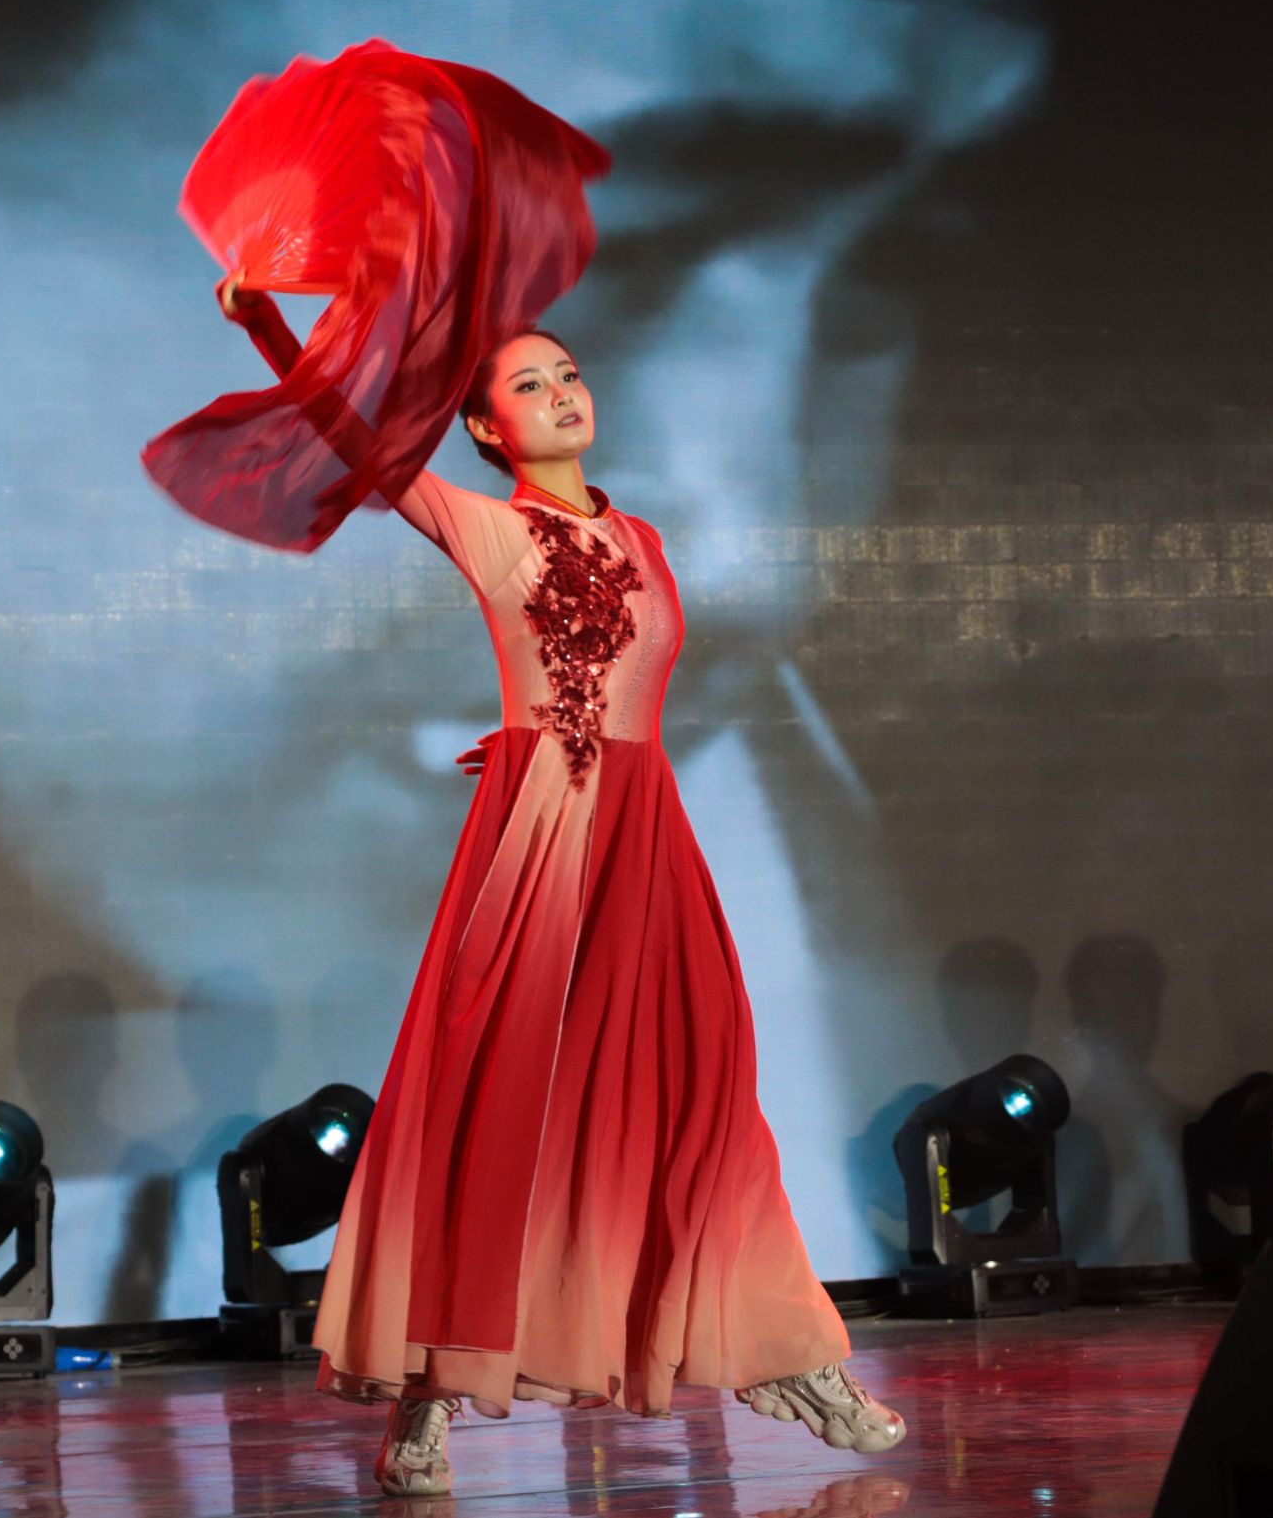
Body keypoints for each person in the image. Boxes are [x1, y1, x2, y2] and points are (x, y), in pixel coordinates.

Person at [209, 273, 905, 1497]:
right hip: (542, 843)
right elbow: (354, 437)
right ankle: (427, 1392)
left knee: (704, 1096)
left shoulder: (642, 539)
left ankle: (785, 1354)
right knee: (495, 1108)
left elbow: (619, 685)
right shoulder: (486, 528)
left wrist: (545, 731)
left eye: (568, 374)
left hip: (644, 833)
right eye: (528, 385)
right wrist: (266, 325)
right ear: (487, 428)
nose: (561, 393)